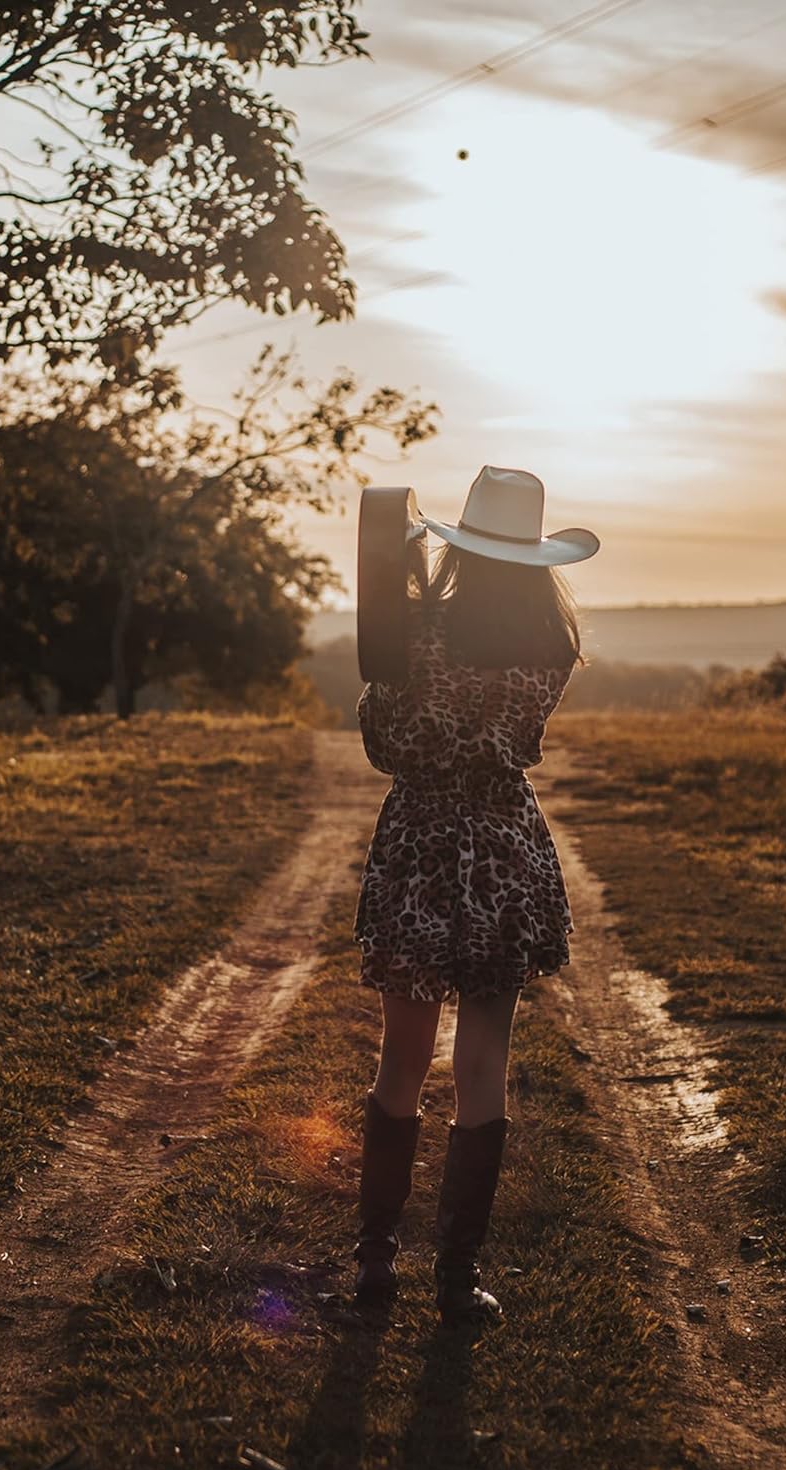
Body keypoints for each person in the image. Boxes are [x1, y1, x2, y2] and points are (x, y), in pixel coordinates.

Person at [350, 464, 600, 1325]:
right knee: (484, 1066)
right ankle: (457, 1281)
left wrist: (410, 584)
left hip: (420, 843)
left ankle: (376, 1266)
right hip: (501, 844)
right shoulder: (550, 644)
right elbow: (512, 736)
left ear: (461, 544)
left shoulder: (414, 631)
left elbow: (387, 744)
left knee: (401, 1062)